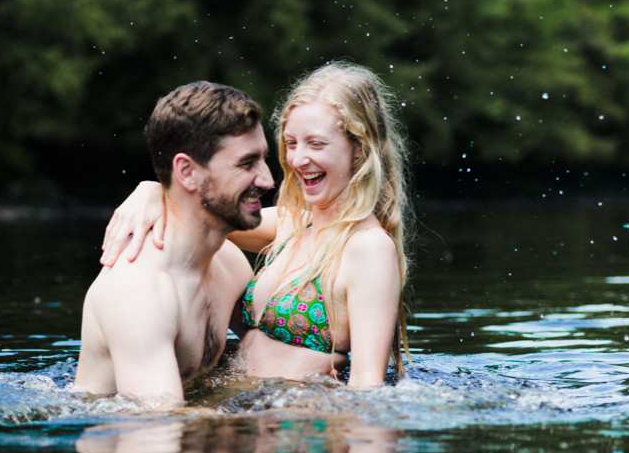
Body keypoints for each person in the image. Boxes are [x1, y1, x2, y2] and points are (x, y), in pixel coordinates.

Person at [102, 61, 410, 389]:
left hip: (305, 423)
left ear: (360, 148)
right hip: (249, 416)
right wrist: (152, 190)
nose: (298, 159)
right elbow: (204, 216)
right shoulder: (296, 225)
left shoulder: (368, 247)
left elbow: (367, 385)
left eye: (316, 144)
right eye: (291, 143)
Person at [75, 82, 273, 407]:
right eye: (246, 163)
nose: (267, 179)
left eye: (264, 159)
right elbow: (160, 428)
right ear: (187, 172)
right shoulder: (139, 291)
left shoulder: (229, 262)